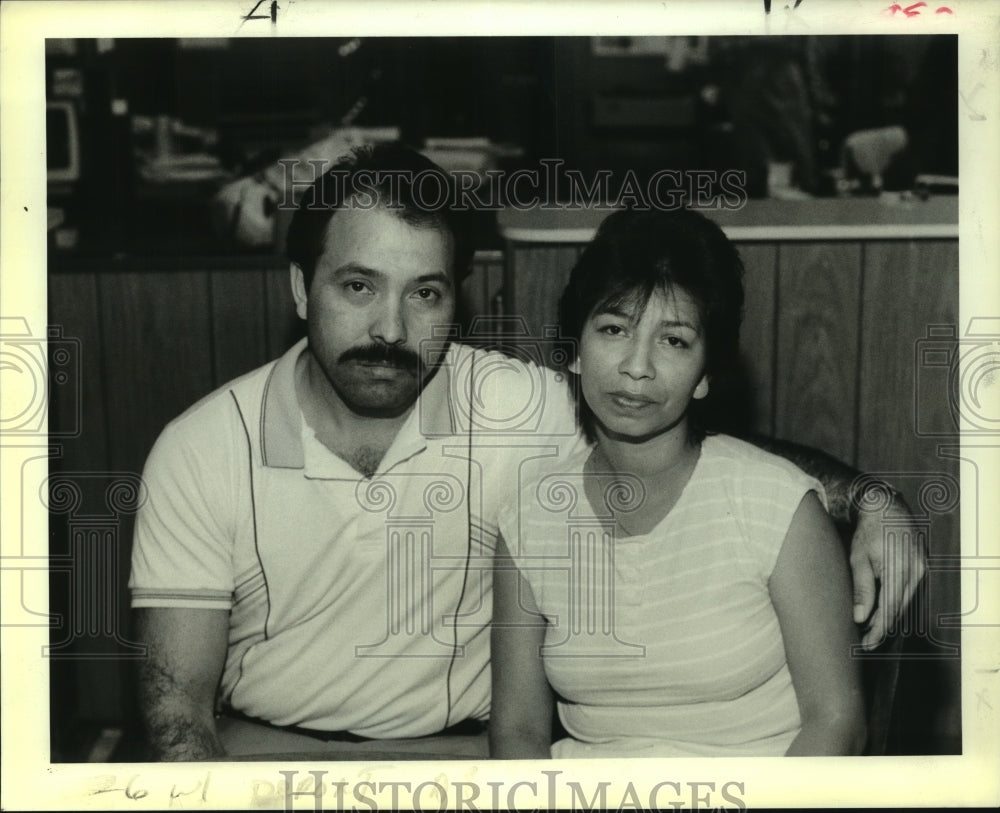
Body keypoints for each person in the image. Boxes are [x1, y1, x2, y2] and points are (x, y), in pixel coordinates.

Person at [129, 143, 923, 761]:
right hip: (278, 756)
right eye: (359, 286)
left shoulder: (519, 404)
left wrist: (872, 499)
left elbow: (688, 443)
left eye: (426, 293)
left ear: (456, 299)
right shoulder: (200, 451)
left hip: (467, 760)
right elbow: (177, 717)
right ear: (302, 290)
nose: (392, 331)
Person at [490, 208, 867, 759]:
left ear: (706, 373)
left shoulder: (777, 506)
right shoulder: (529, 520)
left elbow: (837, 723)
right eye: (614, 329)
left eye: (674, 341)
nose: (637, 366)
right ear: (574, 348)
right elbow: (518, 731)